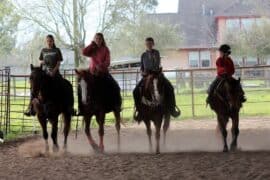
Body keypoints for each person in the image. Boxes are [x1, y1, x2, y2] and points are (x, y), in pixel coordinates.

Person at [133, 37, 180, 120]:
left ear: (153, 44)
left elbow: (157, 64)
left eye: (150, 44)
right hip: (146, 76)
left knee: (170, 87)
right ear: (145, 45)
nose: (149, 45)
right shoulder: (143, 55)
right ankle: (138, 110)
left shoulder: (156, 53)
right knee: (135, 91)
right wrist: (142, 72)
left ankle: (172, 108)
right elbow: (142, 67)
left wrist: (152, 71)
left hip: (156, 74)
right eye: (147, 44)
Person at [78, 33, 121, 115]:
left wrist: (100, 66)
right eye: (96, 38)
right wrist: (91, 44)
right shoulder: (92, 48)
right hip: (92, 73)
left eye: (99, 39)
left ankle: (116, 105)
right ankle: (81, 108)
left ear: (102, 40)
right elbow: (84, 52)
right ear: (94, 39)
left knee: (115, 86)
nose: (98, 40)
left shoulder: (105, 49)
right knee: (82, 87)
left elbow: (107, 62)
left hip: (103, 73)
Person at [24, 34, 63, 116]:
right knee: (35, 87)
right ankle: (31, 107)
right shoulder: (43, 50)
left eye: (51, 41)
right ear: (46, 41)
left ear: (53, 41)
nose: (49, 42)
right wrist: (43, 62)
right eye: (48, 41)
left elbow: (59, 63)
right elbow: (41, 61)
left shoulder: (57, 50)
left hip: (55, 73)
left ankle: (65, 105)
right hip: (44, 73)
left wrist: (53, 71)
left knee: (62, 84)